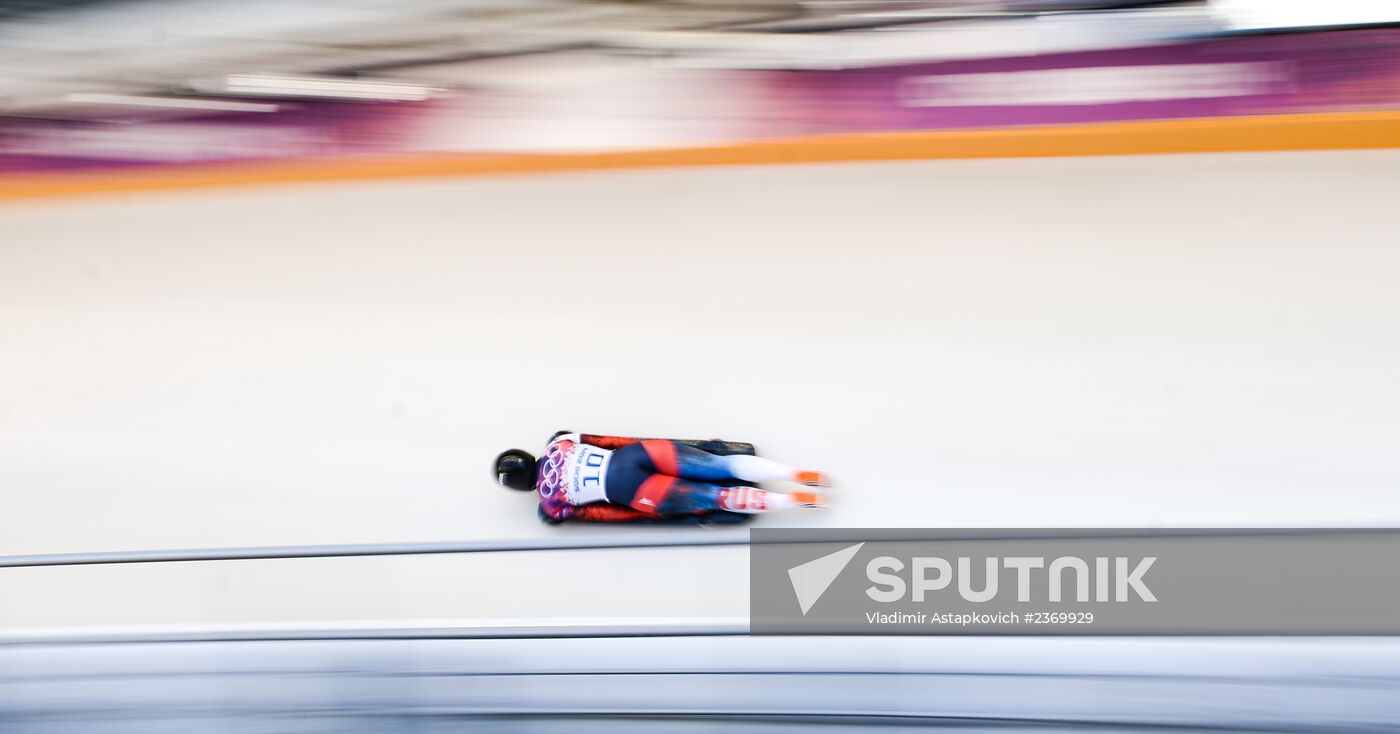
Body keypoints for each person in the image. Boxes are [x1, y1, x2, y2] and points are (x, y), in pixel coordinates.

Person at [494, 432, 828, 522]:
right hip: (636, 455)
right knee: (718, 465)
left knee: (717, 498)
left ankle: (792, 502)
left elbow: (602, 515)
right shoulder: (559, 443)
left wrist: (638, 512)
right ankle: (792, 473)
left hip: (629, 489)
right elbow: (604, 440)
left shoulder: (551, 504)